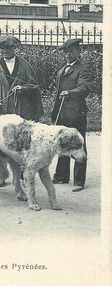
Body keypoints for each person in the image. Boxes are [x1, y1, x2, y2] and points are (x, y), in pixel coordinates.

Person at [0, 34, 43, 187]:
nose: (3, 51)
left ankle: (22, 174)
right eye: (1, 48)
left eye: (7, 48)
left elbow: (34, 85)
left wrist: (23, 88)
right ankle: (0, 175)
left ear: (14, 48)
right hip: (0, 111)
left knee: (20, 143)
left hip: (20, 111)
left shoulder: (24, 65)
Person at [51, 38, 90, 192]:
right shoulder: (62, 70)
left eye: (70, 51)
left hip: (76, 114)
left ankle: (79, 180)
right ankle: (62, 176)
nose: (67, 55)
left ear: (78, 52)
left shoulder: (82, 70)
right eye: (65, 52)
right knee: (62, 143)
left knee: (79, 144)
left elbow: (84, 88)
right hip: (62, 114)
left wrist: (70, 93)